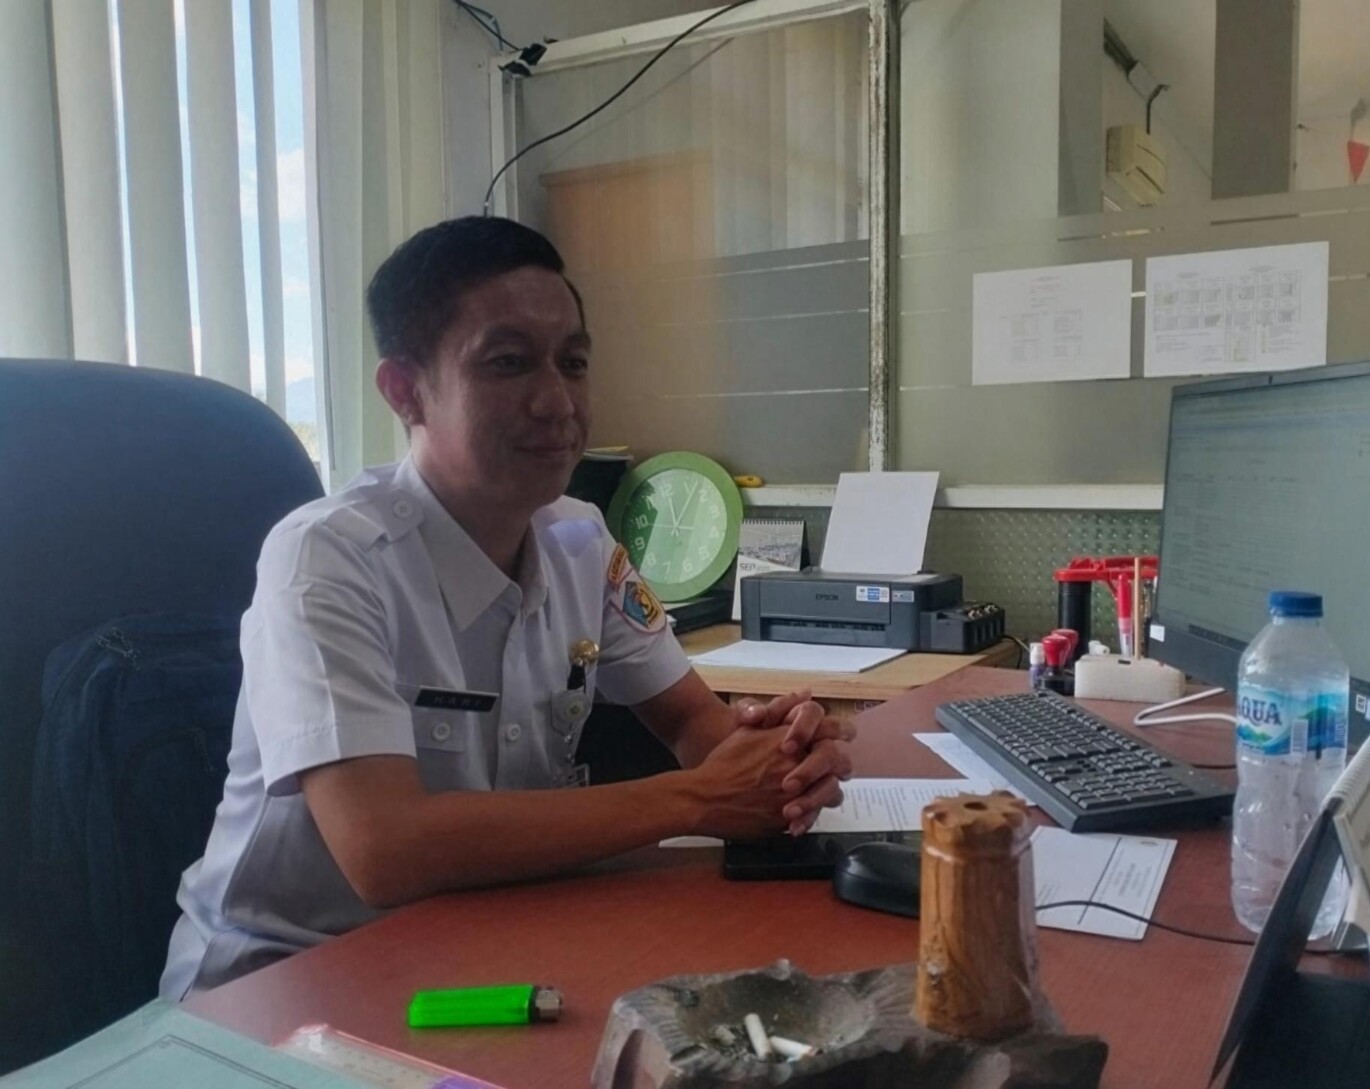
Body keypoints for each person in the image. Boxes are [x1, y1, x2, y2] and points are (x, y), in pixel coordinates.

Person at [160, 217, 854, 998]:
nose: (557, 401)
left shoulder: (580, 539)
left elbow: (693, 721)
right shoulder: (326, 558)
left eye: (574, 362)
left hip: (481, 943)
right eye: (509, 362)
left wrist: (779, 761)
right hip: (284, 979)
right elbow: (384, 849)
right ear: (405, 391)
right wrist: (697, 797)